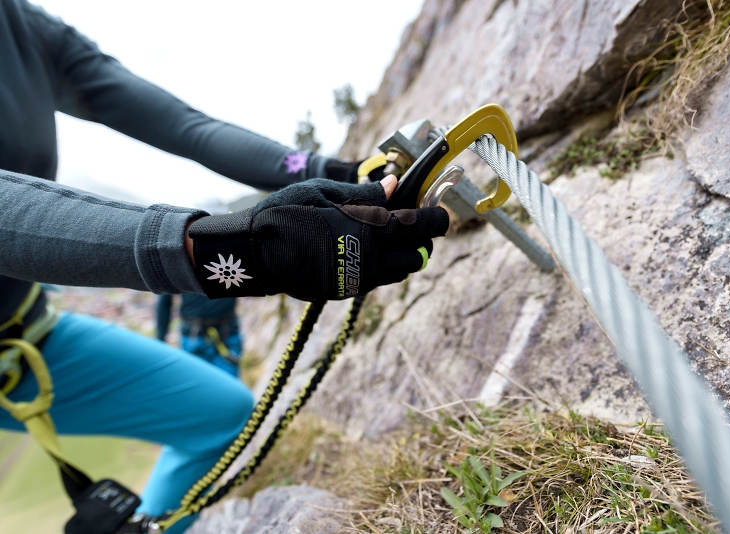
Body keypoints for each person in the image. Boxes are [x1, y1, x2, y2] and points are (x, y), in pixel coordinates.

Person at [0, 1, 450, 533]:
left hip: (27, 334)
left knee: (220, 414)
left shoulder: (22, 25)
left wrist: (342, 173)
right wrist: (226, 251)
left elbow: (187, 128)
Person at [156, 294, 243, 378]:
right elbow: (164, 298)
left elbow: (163, 299)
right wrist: (160, 340)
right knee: (223, 385)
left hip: (224, 333)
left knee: (201, 383)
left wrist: (160, 340)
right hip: (196, 335)